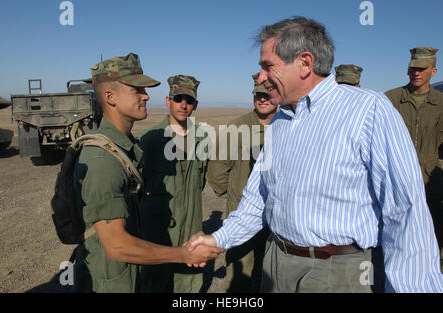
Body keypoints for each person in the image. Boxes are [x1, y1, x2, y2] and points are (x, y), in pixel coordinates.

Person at [188, 17, 443, 293]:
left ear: (305, 63)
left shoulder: (368, 111)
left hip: (339, 273)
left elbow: (405, 213)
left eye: (267, 66)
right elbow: (258, 198)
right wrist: (218, 239)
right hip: (276, 264)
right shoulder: (280, 120)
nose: (261, 78)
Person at [72, 54, 223, 293]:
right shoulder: (104, 159)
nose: (146, 96)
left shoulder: (125, 149)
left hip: (132, 273)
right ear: (110, 97)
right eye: (137, 90)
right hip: (112, 281)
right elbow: (117, 246)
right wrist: (181, 254)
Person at [139, 74, 210, 292]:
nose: (183, 104)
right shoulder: (150, 139)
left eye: (189, 100)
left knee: (188, 282)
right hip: (159, 229)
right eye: (178, 98)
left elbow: (201, 180)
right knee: (155, 282)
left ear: (195, 105)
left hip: (191, 226)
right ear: (168, 100)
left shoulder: (202, 139)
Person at [206, 73, 277, 292]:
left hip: (276, 219)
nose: (262, 99)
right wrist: (236, 197)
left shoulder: (287, 126)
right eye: (258, 95)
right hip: (242, 215)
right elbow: (216, 172)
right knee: (239, 278)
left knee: (272, 276)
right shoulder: (236, 128)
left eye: (267, 94)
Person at [385, 47, 443, 271]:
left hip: (432, 184)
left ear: (433, 71)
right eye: (412, 69)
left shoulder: (440, 102)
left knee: (432, 236)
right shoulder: (390, 99)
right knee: (396, 238)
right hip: (397, 182)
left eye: (421, 69)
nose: (416, 73)